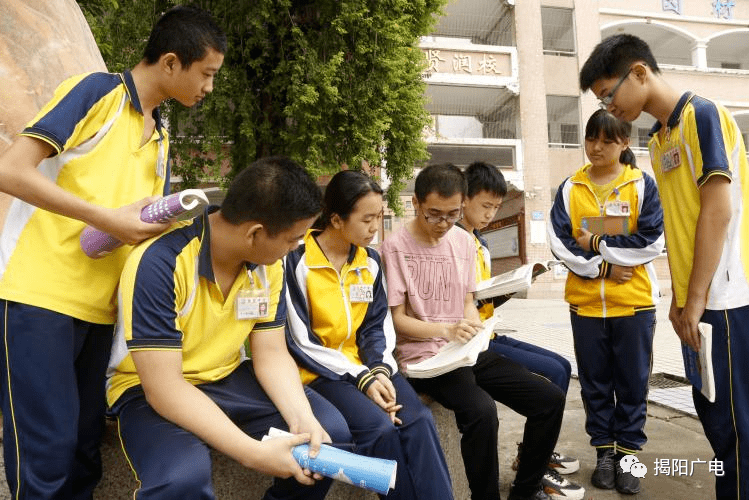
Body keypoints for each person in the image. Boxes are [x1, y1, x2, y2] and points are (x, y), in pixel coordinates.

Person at [0, 6, 226, 499]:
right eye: (206, 74)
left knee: (83, 450)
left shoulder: (161, 133)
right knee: (46, 455)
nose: (209, 88)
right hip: (38, 297)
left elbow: (135, 225)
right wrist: (107, 219)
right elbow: (10, 170)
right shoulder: (95, 93)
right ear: (171, 62)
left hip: (101, 312)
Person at [106, 157, 351, 500]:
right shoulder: (160, 262)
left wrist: (302, 418)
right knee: (182, 479)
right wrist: (253, 454)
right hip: (148, 389)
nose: (297, 247)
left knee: (328, 438)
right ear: (254, 233)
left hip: (228, 376)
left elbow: (271, 353)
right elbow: (162, 388)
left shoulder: (269, 264)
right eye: (293, 239)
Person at [580, 34, 749, 500]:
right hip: (695, 303)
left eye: (609, 96)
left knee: (735, 428)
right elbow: (678, 224)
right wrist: (680, 301)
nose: (610, 110)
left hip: (725, 301)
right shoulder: (659, 139)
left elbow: (718, 210)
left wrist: (694, 300)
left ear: (640, 72)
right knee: (716, 420)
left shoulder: (702, 116)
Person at [380, 163, 584, 500]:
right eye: (434, 214)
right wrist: (447, 330)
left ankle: (525, 489)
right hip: (425, 359)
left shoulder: (463, 242)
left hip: (464, 351)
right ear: (415, 203)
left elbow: (467, 301)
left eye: (452, 214)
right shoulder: (395, 247)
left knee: (548, 398)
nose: (443, 223)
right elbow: (398, 320)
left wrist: (472, 325)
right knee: (481, 412)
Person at [284, 170, 454, 499]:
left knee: (418, 419)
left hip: (368, 369)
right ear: (335, 219)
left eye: (379, 216)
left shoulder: (370, 262)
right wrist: (363, 380)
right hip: (320, 373)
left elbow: (377, 327)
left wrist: (376, 369)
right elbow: (301, 342)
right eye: (367, 219)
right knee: (380, 429)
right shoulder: (296, 261)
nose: (375, 227)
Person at [547, 109, 665, 495]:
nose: (596, 147)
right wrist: (603, 270)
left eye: (607, 141)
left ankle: (628, 457)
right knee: (596, 386)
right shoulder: (570, 188)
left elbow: (650, 243)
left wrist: (596, 243)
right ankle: (604, 454)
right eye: (591, 139)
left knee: (632, 385)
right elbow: (561, 245)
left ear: (624, 143)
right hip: (586, 307)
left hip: (634, 306)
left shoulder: (642, 186)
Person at [459, 161, 578, 482]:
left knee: (562, 367)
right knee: (552, 373)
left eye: (496, 207)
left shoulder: (479, 242)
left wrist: (513, 286)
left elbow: (483, 297)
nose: (490, 214)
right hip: (473, 344)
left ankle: (534, 451)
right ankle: (533, 462)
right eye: (485, 206)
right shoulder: (456, 243)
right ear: (463, 198)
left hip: (490, 332)